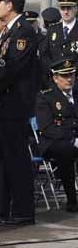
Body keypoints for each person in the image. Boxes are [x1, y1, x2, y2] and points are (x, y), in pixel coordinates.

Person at [0, 0, 38, 226]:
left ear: (10, 4)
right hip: (5, 103)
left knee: (16, 159)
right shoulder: (9, 31)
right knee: (0, 156)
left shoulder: (23, 31)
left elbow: (13, 66)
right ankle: (0, 207)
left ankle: (23, 211)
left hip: (15, 103)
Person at [35, 58, 78, 212]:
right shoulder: (46, 97)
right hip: (53, 142)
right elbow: (47, 128)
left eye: (71, 75)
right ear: (55, 77)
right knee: (66, 151)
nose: (69, 79)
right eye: (64, 76)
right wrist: (73, 139)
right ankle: (72, 200)